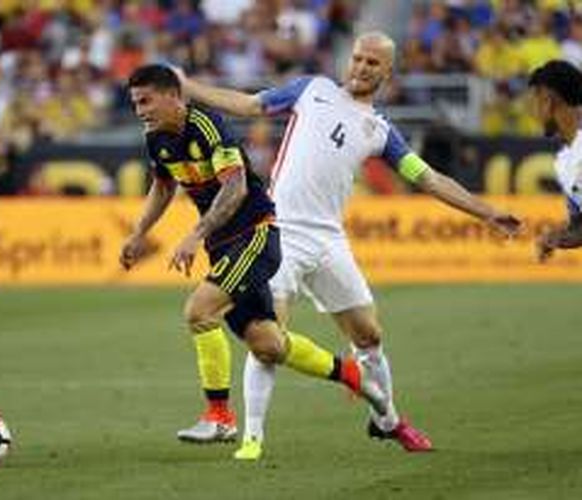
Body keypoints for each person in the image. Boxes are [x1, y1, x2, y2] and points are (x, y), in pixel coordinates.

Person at [179, 31, 523, 459]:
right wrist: (188, 87)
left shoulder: (379, 130)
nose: (361, 67)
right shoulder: (311, 90)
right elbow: (249, 104)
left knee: (369, 334)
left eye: (372, 63)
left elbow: (429, 179)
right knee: (268, 338)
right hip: (279, 230)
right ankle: (252, 438)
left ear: (387, 72)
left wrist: (485, 211)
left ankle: (387, 421)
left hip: (328, 240)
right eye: (358, 59)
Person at [120, 64, 387, 447]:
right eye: (134, 103)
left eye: (146, 101)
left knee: (199, 311)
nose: (140, 111)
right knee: (268, 345)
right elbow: (163, 187)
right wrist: (138, 233)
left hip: (256, 235)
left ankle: (220, 417)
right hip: (224, 245)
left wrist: (195, 234)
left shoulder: (207, 127)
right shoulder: (155, 138)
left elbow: (237, 186)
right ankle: (353, 376)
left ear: (174, 95)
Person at [528, 60, 582, 261]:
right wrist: (554, 238)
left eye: (535, 101)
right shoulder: (568, 157)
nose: (534, 113)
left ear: (548, 100)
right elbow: (580, 226)